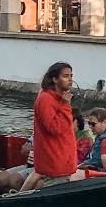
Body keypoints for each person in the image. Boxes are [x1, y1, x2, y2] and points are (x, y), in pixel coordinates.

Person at [20, 62, 77, 191]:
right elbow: (54, 128)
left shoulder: (55, 98)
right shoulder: (47, 99)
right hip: (55, 163)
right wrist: (66, 106)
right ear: (55, 79)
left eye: (71, 76)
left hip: (61, 161)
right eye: (66, 76)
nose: (70, 80)